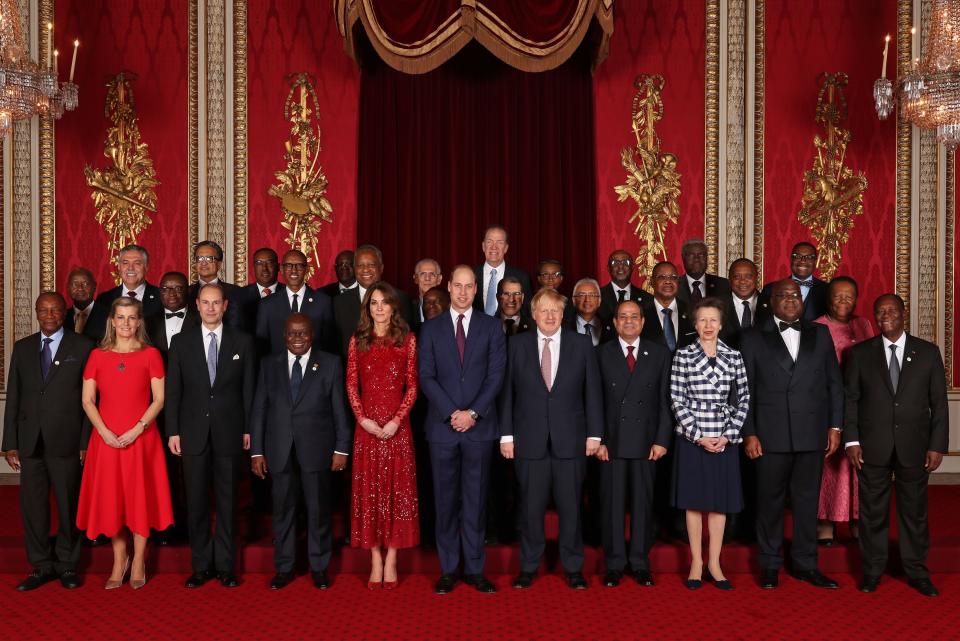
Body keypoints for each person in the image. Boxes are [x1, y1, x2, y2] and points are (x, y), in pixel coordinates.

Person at [739, 279, 843, 590]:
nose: (789, 300)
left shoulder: (820, 333)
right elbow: (744, 390)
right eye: (782, 296)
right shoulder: (752, 337)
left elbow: (834, 384)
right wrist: (749, 433)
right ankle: (770, 564)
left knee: (806, 502)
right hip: (770, 436)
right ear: (771, 302)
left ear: (802, 300)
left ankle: (805, 564)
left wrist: (835, 426)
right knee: (769, 503)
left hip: (811, 434)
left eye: (794, 295)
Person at [844, 294, 948, 597]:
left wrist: (937, 445)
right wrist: (852, 440)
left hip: (915, 447)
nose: (885, 315)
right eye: (879, 312)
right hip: (871, 446)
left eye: (891, 310)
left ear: (904, 314)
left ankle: (916, 571)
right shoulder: (861, 354)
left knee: (914, 512)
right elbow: (851, 400)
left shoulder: (928, 353)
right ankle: (872, 571)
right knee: (872, 513)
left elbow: (938, 405)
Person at [499, 287, 603, 590]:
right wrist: (506, 436)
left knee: (571, 508)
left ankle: (573, 568)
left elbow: (593, 392)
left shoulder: (581, 345)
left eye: (555, 311)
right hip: (528, 440)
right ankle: (529, 566)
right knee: (530, 509)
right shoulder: (516, 345)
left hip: (571, 440)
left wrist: (594, 434)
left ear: (562, 315)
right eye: (543, 310)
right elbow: (507, 394)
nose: (549, 316)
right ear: (533, 314)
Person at [418, 265, 506, 594]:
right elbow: (426, 376)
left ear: (475, 290)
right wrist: (452, 412)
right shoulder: (431, 329)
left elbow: (496, 376)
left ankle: (475, 569)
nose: (464, 292)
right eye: (458, 285)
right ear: (449, 287)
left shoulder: (491, 327)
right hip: (442, 429)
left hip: (478, 428)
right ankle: (448, 569)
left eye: (470, 286)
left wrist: (472, 413)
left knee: (475, 501)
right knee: (444, 502)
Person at [76, 297, 173, 590]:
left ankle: (140, 559)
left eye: (132, 318)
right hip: (105, 439)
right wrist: (104, 432)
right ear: (112, 321)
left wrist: (138, 428)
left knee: (139, 498)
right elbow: (87, 400)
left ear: (139, 321)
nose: (126, 323)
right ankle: (120, 559)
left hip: (141, 439)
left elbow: (159, 399)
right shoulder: (97, 356)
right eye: (121, 317)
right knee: (112, 499)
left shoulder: (151, 355)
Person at [250, 314, 352, 590]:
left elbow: (339, 410)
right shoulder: (269, 364)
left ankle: (319, 567)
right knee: (283, 510)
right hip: (279, 450)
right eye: (292, 334)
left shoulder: (330, 363)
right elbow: (259, 409)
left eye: (303, 334)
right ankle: (284, 568)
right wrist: (256, 451)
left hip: (317, 450)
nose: (297, 339)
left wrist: (342, 448)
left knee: (318, 510)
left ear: (312, 335)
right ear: (284, 336)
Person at [165, 283, 255, 588]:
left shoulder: (243, 342)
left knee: (228, 503)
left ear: (225, 306)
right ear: (198, 306)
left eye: (216, 303)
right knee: (197, 503)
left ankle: (226, 566)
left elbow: (249, 390)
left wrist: (248, 428)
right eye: (205, 303)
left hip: (230, 431)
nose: (211, 308)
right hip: (192, 433)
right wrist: (173, 431)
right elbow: (173, 390)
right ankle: (201, 566)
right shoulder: (181, 342)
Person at [3, 293, 94, 591]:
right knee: (33, 507)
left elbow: (91, 400)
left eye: (55, 309)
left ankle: (67, 564)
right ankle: (41, 565)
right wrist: (10, 442)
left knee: (68, 505)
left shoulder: (82, 346)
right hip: (30, 443)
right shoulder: (23, 347)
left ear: (64, 312)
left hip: (67, 441)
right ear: (37, 313)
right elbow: (14, 396)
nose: (50, 315)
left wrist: (85, 442)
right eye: (44, 310)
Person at [670, 297, 750, 590]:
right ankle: (696, 562)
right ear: (694, 323)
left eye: (713, 320)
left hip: (724, 437)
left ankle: (715, 562)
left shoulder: (735, 356)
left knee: (719, 504)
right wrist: (698, 435)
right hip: (694, 438)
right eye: (702, 320)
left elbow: (744, 399)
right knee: (694, 503)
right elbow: (677, 400)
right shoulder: (683, 356)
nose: (707, 325)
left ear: (721, 323)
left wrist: (728, 435)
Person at [346, 283, 419, 589]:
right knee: (370, 496)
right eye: (373, 302)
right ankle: (374, 558)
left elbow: (413, 386)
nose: (378, 308)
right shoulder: (357, 340)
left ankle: (392, 559)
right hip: (367, 432)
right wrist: (362, 419)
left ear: (393, 307)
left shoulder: (407, 340)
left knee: (396, 495)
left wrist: (396, 421)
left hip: (397, 430)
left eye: (384, 303)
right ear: (368, 307)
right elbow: (351, 384)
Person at [595, 300, 671, 588]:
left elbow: (666, 401)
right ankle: (614, 563)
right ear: (614, 323)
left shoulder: (660, 354)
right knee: (612, 505)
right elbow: (594, 401)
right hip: (610, 443)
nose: (628, 322)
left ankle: (639, 562)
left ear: (642, 322)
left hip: (646, 442)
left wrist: (662, 440)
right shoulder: (601, 353)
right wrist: (598, 439)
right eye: (623, 317)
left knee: (643, 505)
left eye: (633, 317)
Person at [813, 276, 874, 546]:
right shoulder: (816, 327)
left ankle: (858, 521)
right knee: (829, 466)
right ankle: (825, 523)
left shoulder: (863, 324)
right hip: (827, 405)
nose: (843, 301)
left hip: (860, 406)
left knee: (858, 465)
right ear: (828, 298)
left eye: (849, 296)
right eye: (838, 295)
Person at [145, 271, 198, 545]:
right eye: (166, 288)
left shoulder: (202, 319)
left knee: (189, 471)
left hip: (192, 406)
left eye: (178, 288)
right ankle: (163, 525)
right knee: (160, 470)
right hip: (154, 408)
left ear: (188, 291)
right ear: (160, 291)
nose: (173, 294)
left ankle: (190, 526)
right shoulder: (147, 322)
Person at [334, 245, 415, 356]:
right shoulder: (339, 302)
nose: (366, 270)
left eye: (371, 265)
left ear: (381, 268)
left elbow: (407, 340)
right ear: (354, 268)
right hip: (349, 370)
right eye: (360, 265)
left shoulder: (400, 298)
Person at [257, 249, 335, 355]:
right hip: (278, 368)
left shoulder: (323, 302)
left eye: (299, 265)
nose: (294, 270)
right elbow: (261, 345)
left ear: (306, 269)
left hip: (314, 368)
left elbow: (328, 343)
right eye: (289, 265)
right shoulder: (267, 304)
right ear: (281, 269)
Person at [86, 244, 162, 341]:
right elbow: (98, 336)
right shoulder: (104, 299)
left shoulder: (161, 297)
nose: (130, 268)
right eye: (125, 263)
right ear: (119, 267)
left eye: (137, 263)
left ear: (146, 267)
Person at [759, 242, 828, 322]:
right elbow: (763, 321)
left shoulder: (827, 290)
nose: (803, 261)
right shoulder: (770, 289)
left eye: (809, 257)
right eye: (797, 256)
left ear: (815, 262)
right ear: (791, 259)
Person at [473, 225, 532, 316]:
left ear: (506, 248)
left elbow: (527, 313)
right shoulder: (471, 275)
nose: (494, 247)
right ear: (483, 246)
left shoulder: (522, 277)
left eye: (499, 242)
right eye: (489, 242)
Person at [641, 261, 696, 353]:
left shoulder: (692, 311)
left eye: (673, 277)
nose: (668, 281)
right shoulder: (640, 313)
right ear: (652, 282)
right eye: (662, 277)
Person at [720, 258, 769, 348]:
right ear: (729, 280)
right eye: (737, 277)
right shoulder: (717, 306)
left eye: (748, 276)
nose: (742, 281)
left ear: (756, 278)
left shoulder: (770, 305)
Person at [231, 247, 280, 335]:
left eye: (269, 263)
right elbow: (235, 331)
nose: (264, 268)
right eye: (259, 263)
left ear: (278, 267)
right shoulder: (239, 296)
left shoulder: (289, 293)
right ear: (253, 267)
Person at [186, 241, 240, 319]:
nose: (203, 263)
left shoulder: (235, 292)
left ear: (219, 264)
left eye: (209, 258)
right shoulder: (187, 293)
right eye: (200, 258)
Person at [599, 249, 652, 322]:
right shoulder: (597, 296)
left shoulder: (647, 299)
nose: (620, 266)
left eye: (625, 262)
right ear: (608, 268)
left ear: (632, 267)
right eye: (615, 263)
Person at [676, 239, 731, 305]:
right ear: (683, 258)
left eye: (701, 254)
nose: (696, 259)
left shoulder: (724, 285)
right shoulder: (674, 286)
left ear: (707, 258)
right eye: (691, 255)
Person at [565, 278, 614, 346]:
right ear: (574, 300)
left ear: (599, 301)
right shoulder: (563, 327)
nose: (587, 300)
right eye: (582, 295)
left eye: (592, 295)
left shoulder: (611, 326)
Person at [64, 268, 96, 335]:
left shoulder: (109, 315)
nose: (80, 288)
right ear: (68, 287)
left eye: (85, 283)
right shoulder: (62, 317)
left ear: (94, 286)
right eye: (75, 284)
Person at [412, 258, 443, 326]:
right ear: (416, 278)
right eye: (423, 274)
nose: (427, 278)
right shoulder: (408, 308)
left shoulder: (449, 308)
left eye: (432, 274)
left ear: (439, 279)